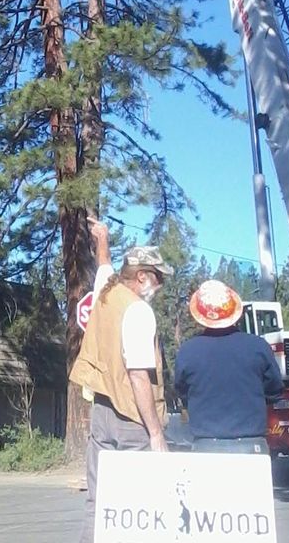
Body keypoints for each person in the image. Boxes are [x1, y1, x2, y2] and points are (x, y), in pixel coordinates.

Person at [70, 218, 172, 543]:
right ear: (141, 276)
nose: (160, 286)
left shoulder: (107, 292)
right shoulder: (139, 312)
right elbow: (138, 375)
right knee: (140, 507)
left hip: (102, 412)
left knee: (99, 503)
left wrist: (102, 239)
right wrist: (155, 434)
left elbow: (103, 266)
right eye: (158, 278)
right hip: (133, 420)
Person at [174, 279, 283, 455]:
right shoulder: (258, 346)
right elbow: (274, 390)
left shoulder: (188, 351)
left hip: (206, 445)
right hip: (251, 444)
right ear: (235, 311)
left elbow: (182, 390)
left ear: (200, 316)